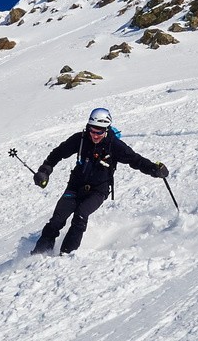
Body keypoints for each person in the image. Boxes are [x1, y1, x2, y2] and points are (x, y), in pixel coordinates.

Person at [31, 107, 169, 256]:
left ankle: (65, 256)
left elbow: (135, 160)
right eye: (92, 130)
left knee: (80, 215)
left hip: (98, 190)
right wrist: (44, 170)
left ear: (107, 130)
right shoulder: (80, 139)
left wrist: (154, 169)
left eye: (100, 132)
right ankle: (39, 254)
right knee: (57, 219)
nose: (95, 135)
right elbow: (58, 153)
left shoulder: (114, 145)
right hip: (75, 186)